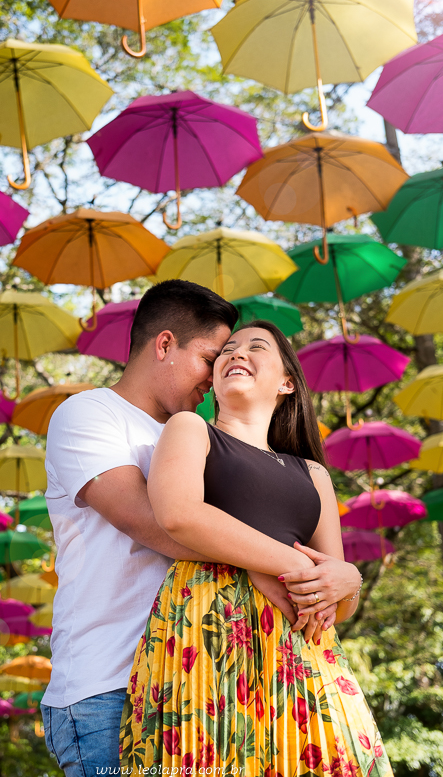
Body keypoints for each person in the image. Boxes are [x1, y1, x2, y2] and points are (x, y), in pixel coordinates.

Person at [40, 281, 345, 777]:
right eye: (210, 357)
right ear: (165, 344)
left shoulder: (196, 437)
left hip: (200, 678)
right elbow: (155, 522)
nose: (215, 372)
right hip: (110, 685)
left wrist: (343, 576)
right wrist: (276, 563)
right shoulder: (90, 413)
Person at [120, 321, 392, 776]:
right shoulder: (191, 428)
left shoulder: (313, 474)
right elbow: (178, 514)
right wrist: (288, 562)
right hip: (210, 630)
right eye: (227, 350)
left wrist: (350, 580)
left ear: (287, 383)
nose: (236, 353)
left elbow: (336, 604)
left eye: (256, 347)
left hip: (304, 650)